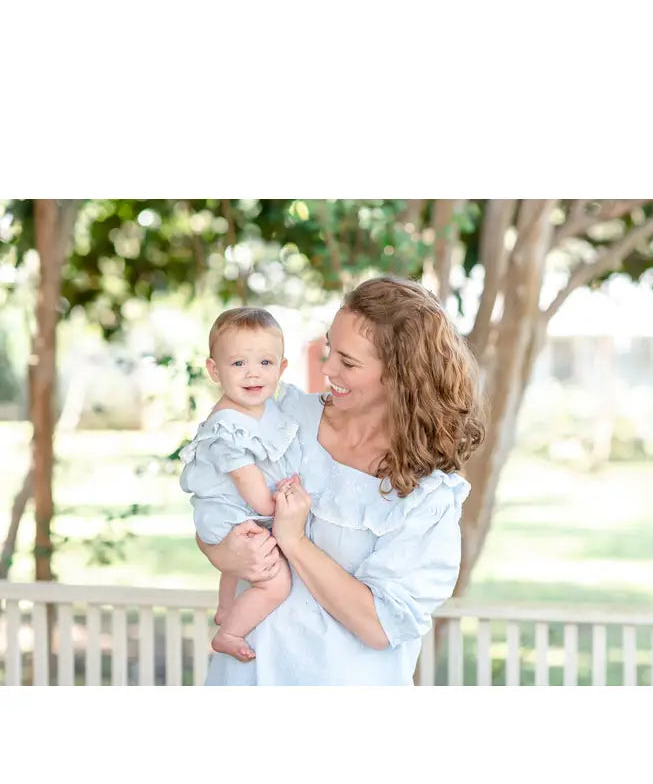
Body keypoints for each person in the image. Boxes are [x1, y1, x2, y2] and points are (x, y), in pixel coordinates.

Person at [197, 276, 487, 685]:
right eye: (330, 347)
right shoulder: (285, 418)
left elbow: (380, 626)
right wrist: (222, 552)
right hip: (245, 677)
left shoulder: (427, 492)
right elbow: (215, 504)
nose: (327, 367)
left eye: (348, 362)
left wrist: (294, 542)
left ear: (402, 376)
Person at [180, 307, 301, 661]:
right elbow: (260, 501)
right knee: (276, 583)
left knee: (238, 562)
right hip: (232, 513)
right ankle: (229, 632)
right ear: (214, 370)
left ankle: (224, 607)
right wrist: (283, 500)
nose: (253, 373)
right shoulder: (227, 430)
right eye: (238, 364)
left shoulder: (265, 409)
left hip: (235, 512)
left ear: (281, 368)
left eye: (265, 363)